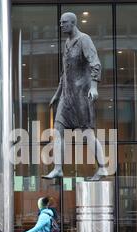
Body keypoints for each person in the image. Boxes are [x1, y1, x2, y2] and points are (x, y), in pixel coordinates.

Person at [42, 12, 108, 181]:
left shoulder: (84, 40)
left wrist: (94, 87)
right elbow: (65, 73)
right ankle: (58, 168)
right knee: (58, 130)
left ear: (73, 23)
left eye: (64, 22)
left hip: (81, 96)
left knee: (87, 133)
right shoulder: (67, 43)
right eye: (60, 22)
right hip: (66, 95)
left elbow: (96, 63)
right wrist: (57, 94)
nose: (61, 25)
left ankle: (102, 168)